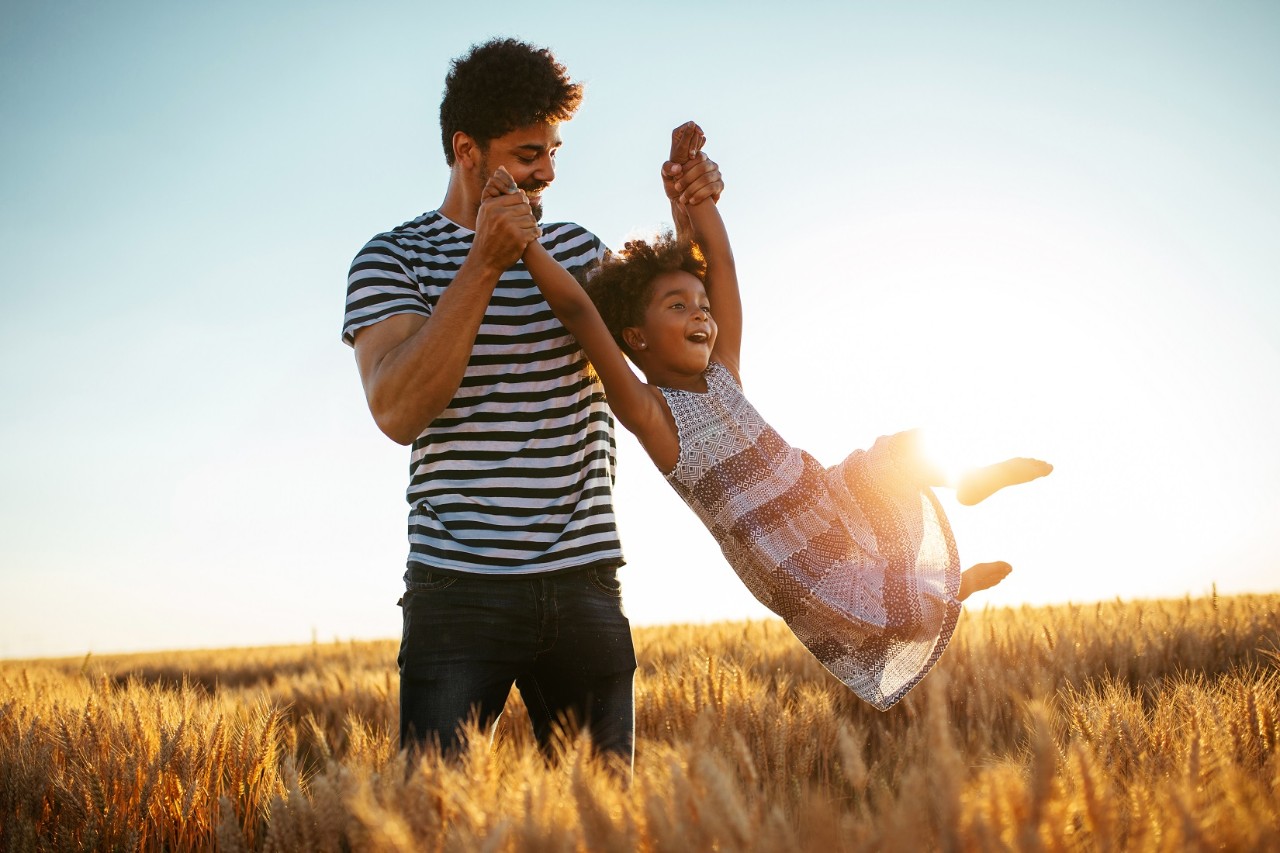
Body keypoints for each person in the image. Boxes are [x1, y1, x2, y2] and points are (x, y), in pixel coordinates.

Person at [511, 121, 1052, 711]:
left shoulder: (725, 369)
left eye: (701, 306)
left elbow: (721, 263)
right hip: (782, 553)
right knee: (857, 596)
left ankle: (964, 478)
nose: (700, 315)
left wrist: (695, 195)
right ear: (636, 338)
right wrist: (526, 242)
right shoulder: (650, 412)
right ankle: (951, 593)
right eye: (677, 306)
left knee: (893, 454)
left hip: (821, 491)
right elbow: (580, 313)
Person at [340, 41, 724, 762]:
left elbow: (679, 357)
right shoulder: (391, 258)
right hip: (456, 588)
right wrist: (484, 262)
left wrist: (690, 218)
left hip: (584, 583)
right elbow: (397, 410)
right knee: (431, 823)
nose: (546, 172)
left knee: (606, 824)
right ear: (467, 150)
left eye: (552, 151)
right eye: (526, 154)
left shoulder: (579, 251)